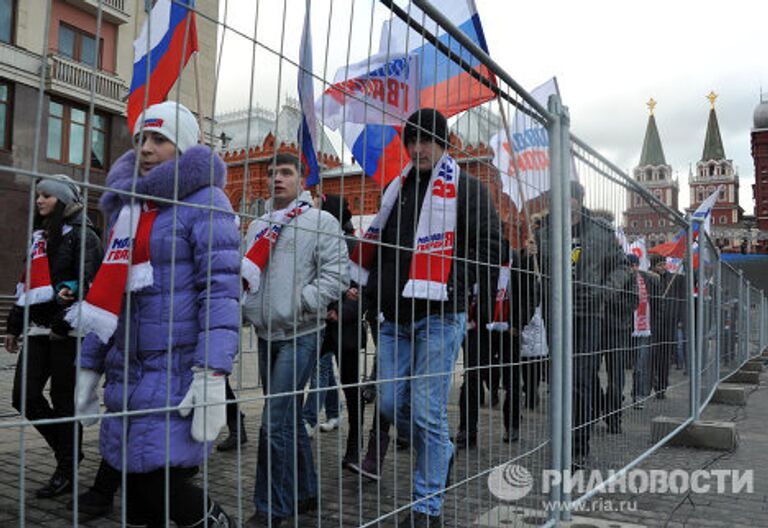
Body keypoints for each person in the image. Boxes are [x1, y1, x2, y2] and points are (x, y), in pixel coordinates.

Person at [73, 101, 240, 526]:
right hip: (128, 372)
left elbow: (220, 292)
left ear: (183, 148)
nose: (146, 149)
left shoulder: (207, 201)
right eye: (141, 139)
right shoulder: (129, 208)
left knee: (161, 486)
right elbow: (107, 293)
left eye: (159, 139)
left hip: (178, 371)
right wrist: (89, 363)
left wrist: (212, 372)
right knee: (136, 495)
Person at [355, 108, 501, 526]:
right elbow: (381, 247)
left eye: (427, 141)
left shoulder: (468, 190)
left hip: (440, 314)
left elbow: (491, 246)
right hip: (395, 317)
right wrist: (374, 291)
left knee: (425, 411)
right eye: (411, 141)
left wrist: (459, 281)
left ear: (444, 143)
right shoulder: (394, 190)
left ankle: (426, 509)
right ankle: (442, 451)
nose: (418, 149)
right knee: (388, 402)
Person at [242, 154, 349, 527]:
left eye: (285, 173)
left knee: (273, 424)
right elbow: (247, 274)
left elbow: (338, 273)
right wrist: (249, 309)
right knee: (285, 420)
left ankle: (272, 507)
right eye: (271, 174)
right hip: (265, 332)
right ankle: (306, 491)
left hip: (302, 333)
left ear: (301, 180)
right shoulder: (258, 224)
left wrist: (303, 304)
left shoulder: (320, 221)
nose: (277, 179)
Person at [5, 175, 102, 499]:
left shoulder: (83, 235)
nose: (39, 200)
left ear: (62, 199)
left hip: (68, 333)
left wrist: (63, 323)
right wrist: (14, 326)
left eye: (46, 195)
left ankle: (66, 467)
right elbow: (27, 284)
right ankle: (68, 451)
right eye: (37, 195)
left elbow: (88, 282)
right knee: (24, 396)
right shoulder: (40, 237)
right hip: (37, 330)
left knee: (63, 403)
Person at [535, 181, 633, 468]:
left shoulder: (601, 232)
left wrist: (604, 291)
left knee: (579, 379)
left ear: (579, 200)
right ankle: (564, 436)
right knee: (559, 381)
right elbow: (534, 269)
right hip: (555, 314)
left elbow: (623, 266)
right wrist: (530, 254)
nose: (564, 205)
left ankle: (577, 445)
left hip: (588, 314)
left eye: (569, 199)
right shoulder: (543, 232)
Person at [627, 253, 660, 410]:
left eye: (635, 265)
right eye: (630, 265)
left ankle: (638, 395)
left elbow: (657, 289)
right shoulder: (622, 279)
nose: (633, 268)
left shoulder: (647, 279)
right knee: (621, 365)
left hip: (643, 328)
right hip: (625, 327)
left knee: (640, 365)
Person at [650, 253, 684, 398]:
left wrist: (686, 262)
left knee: (665, 357)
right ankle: (652, 382)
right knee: (652, 357)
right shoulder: (649, 278)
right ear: (653, 266)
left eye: (664, 264)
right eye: (660, 265)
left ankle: (662, 387)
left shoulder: (674, 279)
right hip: (652, 325)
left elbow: (693, 279)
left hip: (669, 323)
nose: (663, 267)